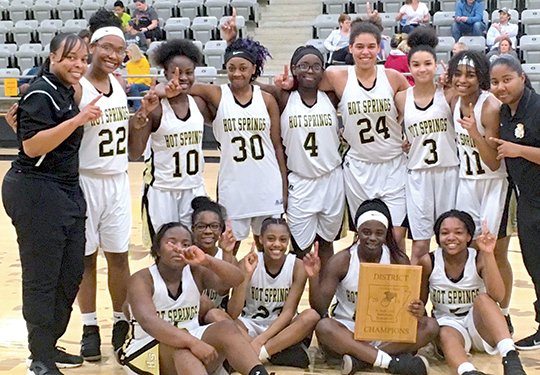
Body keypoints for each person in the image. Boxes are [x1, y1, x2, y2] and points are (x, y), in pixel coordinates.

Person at [1, 33, 102, 374]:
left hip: (66, 190)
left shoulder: (67, 91)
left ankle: (48, 343)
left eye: (82, 58)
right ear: (52, 57)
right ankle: (39, 358)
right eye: (70, 58)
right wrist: (76, 120)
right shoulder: (41, 92)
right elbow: (31, 147)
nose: (78, 64)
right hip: (35, 191)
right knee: (42, 277)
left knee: (71, 272)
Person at [283, 20, 410, 247]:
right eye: (359, 46)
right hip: (358, 167)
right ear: (350, 48)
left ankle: (394, 282)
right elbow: (306, 81)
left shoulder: (392, 77)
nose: (365, 52)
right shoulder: (336, 76)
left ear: (379, 47)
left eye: (371, 46)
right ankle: (359, 282)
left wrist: (408, 134)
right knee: (363, 236)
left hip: (393, 164)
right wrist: (286, 83)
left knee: (396, 236)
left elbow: (415, 107)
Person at [159, 38, 287, 251]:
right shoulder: (218, 94)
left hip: (267, 184)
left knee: (267, 248)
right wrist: (161, 90)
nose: (237, 73)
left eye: (243, 68)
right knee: (228, 248)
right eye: (231, 68)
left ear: (254, 69)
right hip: (233, 186)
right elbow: (185, 86)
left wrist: (284, 186)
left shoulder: (266, 99)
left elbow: (276, 147)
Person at [304, 199, 438, 375]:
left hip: (387, 332)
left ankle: (362, 359)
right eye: (366, 232)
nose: (372, 238)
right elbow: (320, 308)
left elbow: (410, 306)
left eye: (379, 233)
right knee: (324, 327)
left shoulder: (398, 260)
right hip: (349, 329)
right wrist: (313, 278)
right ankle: (390, 362)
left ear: (386, 234)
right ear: (358, 232)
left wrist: (418, 309)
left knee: (430, 326)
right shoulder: (342, 260)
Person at [117, 222, 271, 375]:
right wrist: (192, 342)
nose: (178, 248)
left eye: (185, 244)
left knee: (227, 328)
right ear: (157, 249)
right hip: (145, 348)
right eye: (171, 242)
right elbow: (149, 322)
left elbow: (236, 279)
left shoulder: (196, 272)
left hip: (190, 343)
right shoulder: (142, 279)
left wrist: (207, 260)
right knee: (183, 350)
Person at [75, 9, 132, 362]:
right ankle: (89, 325)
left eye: (119, 50)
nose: (113, 55)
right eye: (106, 48)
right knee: (86, 259)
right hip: (85, 180)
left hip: (117, 180)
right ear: (91, 46)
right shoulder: (77, 84)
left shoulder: (121, 86)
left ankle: (122, 319)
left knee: (119, 256)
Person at [418, 210, 527, 375]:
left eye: (458, 232)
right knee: (445, 331)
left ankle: (510, 357)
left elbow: (498, 296)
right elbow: (420, 301)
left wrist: (488, 253)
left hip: (478, 325)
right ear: (438, 237)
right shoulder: (429, 261)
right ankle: (468, 371)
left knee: (483, 299)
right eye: (444, 233)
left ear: (469, 237)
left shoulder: (478, 258)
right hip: (449, 324)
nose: (451, 237)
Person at [447, 50, 513, 320]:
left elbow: (494, 163)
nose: (463, 80)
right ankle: (475, 311)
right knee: (470, 249)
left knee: (495, 252)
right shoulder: (453, 100)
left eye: (470, 75)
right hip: (466, 184)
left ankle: (504, 313)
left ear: (481, 78)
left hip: (493, 185)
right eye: (458, 74)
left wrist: (475, 132)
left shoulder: (490, 107)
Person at [266, 45, 344, 267]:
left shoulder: (331, 96)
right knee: (301, 248)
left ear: (323, 71)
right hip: (300, 180)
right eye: (303, 66)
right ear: (293, 68)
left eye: (316, 66)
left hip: (331, 179)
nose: (309, 71)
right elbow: (250, 86)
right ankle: (296, 297)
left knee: (327, 242)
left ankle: (323, 300)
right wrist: (279, 83)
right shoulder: (283, 97)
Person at [128, 39, 211, 246]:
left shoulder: (198, 103)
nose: (183, 77)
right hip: (162, 190)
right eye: (176, 72)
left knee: (196, 248)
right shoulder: (156, 108)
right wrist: (143, 113)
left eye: (188, 72)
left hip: (194, 188)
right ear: (165, 74)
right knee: (165, 251)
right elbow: (135, 152)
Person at [396, 28, 459, 264]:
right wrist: (403, 143)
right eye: (416, 64)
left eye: (427, 63)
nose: (422, 69)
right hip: (418, 175)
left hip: (448, 171)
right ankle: (415, 298)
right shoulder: (402, 98)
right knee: (420, 244)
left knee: (450, 240)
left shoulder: (449, 94)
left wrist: (452, 79)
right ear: (409, 67)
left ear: (436, 65)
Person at [490, 55, 540, 350]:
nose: (500, 87)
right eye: (495, 82)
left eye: (506, 80)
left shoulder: (537, 107)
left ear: (522, 77)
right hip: (527, 201)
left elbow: (517, 151)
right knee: (535, 267)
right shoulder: (505, 113)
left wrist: (517, 150)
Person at [227, 218, 321, 369]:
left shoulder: (297, 266)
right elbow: (233, 312)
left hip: (280, 327)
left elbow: (288, 312)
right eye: (271, 239)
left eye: (283, 239)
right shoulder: (247, 262)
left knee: (311, 316)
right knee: (226, 322)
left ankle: (256, 354)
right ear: (260, 239)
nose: (277, 244)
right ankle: (276, 352)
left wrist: (260, 342)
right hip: (249, 325)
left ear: (288, 241)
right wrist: (246, 277)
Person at [190, 196, 237, 309]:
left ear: (222, 229)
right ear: (192, 229)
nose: (208, 231)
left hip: (218, 318)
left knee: (213, 313)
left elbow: (223, 290)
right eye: (201, 226)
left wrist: (227, 253)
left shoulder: (229, 257)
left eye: (214, 226)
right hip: (192, 317)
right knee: (203, 302)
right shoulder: (186, 256)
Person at [125, 43, 152, 110]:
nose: (127, 54)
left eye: (128, 52)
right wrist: (130, 82)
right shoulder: (128, 64)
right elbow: (129, 76)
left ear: (133, 52)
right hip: (133, 84)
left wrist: (134, 83)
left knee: (134, 87)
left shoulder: (143, 61)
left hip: (145, 84)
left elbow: (146, 77)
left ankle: (137, 107)